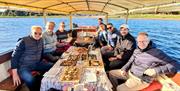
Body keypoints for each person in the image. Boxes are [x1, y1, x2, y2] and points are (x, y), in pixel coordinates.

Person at [109, 32, 177, 91]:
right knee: (111, 73)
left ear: (148, 41)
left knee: (120, 89)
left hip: (140, 79)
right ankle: (115, 88)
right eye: (139, 41)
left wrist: (156, 70)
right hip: (130, 72)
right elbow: (130, 61)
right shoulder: (137, 50)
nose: (141, 43)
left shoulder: (156, 53)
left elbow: (176, 64)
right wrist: (124, 69)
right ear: (137, 41)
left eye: (144, 41)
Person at [11, 26, 53, 91]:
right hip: (23, 67)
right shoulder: (23, 41)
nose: (38, 35)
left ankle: (46, 83)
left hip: (36, 63)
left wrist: (42, 61)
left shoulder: (41, 40)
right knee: (30, 79)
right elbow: (14, 57)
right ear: (31, 32)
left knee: (52, 66)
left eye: (40, 33)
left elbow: (41, 52)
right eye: (35, 33)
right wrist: (15, 74)